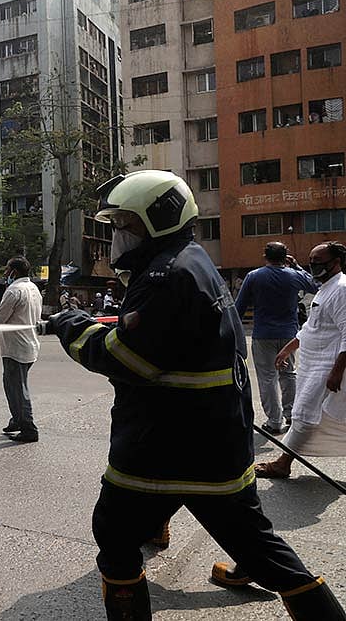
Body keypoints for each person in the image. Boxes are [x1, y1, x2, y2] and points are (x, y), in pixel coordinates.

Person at [42, 171, 344, 620]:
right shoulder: (189, 259)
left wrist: (72, 326)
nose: (119, 234)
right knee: (260, 547)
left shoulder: (165, 277)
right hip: (217, 443)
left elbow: (130, 361)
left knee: (116, 536)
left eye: (128, 224)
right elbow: (174, 338)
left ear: (159, 219)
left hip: (159, 445)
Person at [255, 242, 346, 480]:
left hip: (327, 366)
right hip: (313, 363)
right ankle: (284, 462)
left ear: (335, 262)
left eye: (319, 263)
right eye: (312, 262)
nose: (314, 267)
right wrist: (288, 348)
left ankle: (282, 463)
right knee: (311, 414)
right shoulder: (326, 287)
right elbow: (311, 328)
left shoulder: (342, 289)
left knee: (304, 414)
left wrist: (337, 370)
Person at [235, 242, 318, 435]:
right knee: (288, 374)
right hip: (289, 335)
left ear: (265, 256)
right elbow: (315, 285)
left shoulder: (254, 277)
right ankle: (291, 416)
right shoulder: (295, 275)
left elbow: (239, 307)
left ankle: (273, 421)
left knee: (267, 378)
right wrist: (297, 266)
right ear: (286, 256)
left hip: (263, 334)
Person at [0, 256, 43, 442]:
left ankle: (29, 428)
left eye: (7, 270)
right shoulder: (33, 289)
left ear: (14, 272)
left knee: (17, 389)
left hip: (16, 348)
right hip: (30, 346)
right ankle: (17, 420)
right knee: (12, 385)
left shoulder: (14, 291)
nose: (5, 274)